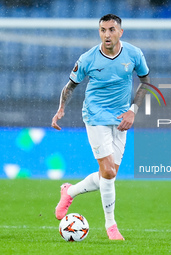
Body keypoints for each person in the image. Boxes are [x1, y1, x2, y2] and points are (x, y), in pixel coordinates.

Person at [51, 14, 150, 240]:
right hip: (95, 116)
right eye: (103, 30)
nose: (107, 34)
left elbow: (146, 82)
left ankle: (70, 191)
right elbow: (70, 86)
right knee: (107, 171)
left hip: (122, 118)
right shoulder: (88, 59)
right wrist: (60, 109)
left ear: (120, 32)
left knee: (110, 175)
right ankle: (111, 226)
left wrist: (132, 111)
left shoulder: (134, 54)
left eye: (112, 30)